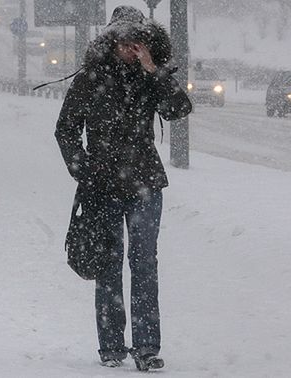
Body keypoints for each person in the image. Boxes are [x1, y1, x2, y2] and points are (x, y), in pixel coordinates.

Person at [55, 5, 192, 371]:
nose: (130, 45)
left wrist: (154, 70)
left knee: (144, 263)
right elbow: (65, 129)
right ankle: (112, 348)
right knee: (109, 264)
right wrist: (83, 169)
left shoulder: (149, 77)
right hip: (102, 186)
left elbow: (179, 109)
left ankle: (147, 348)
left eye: (137, 39)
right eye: (123, 39)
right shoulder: (89, 79)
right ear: (110, 39)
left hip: (146, 182)